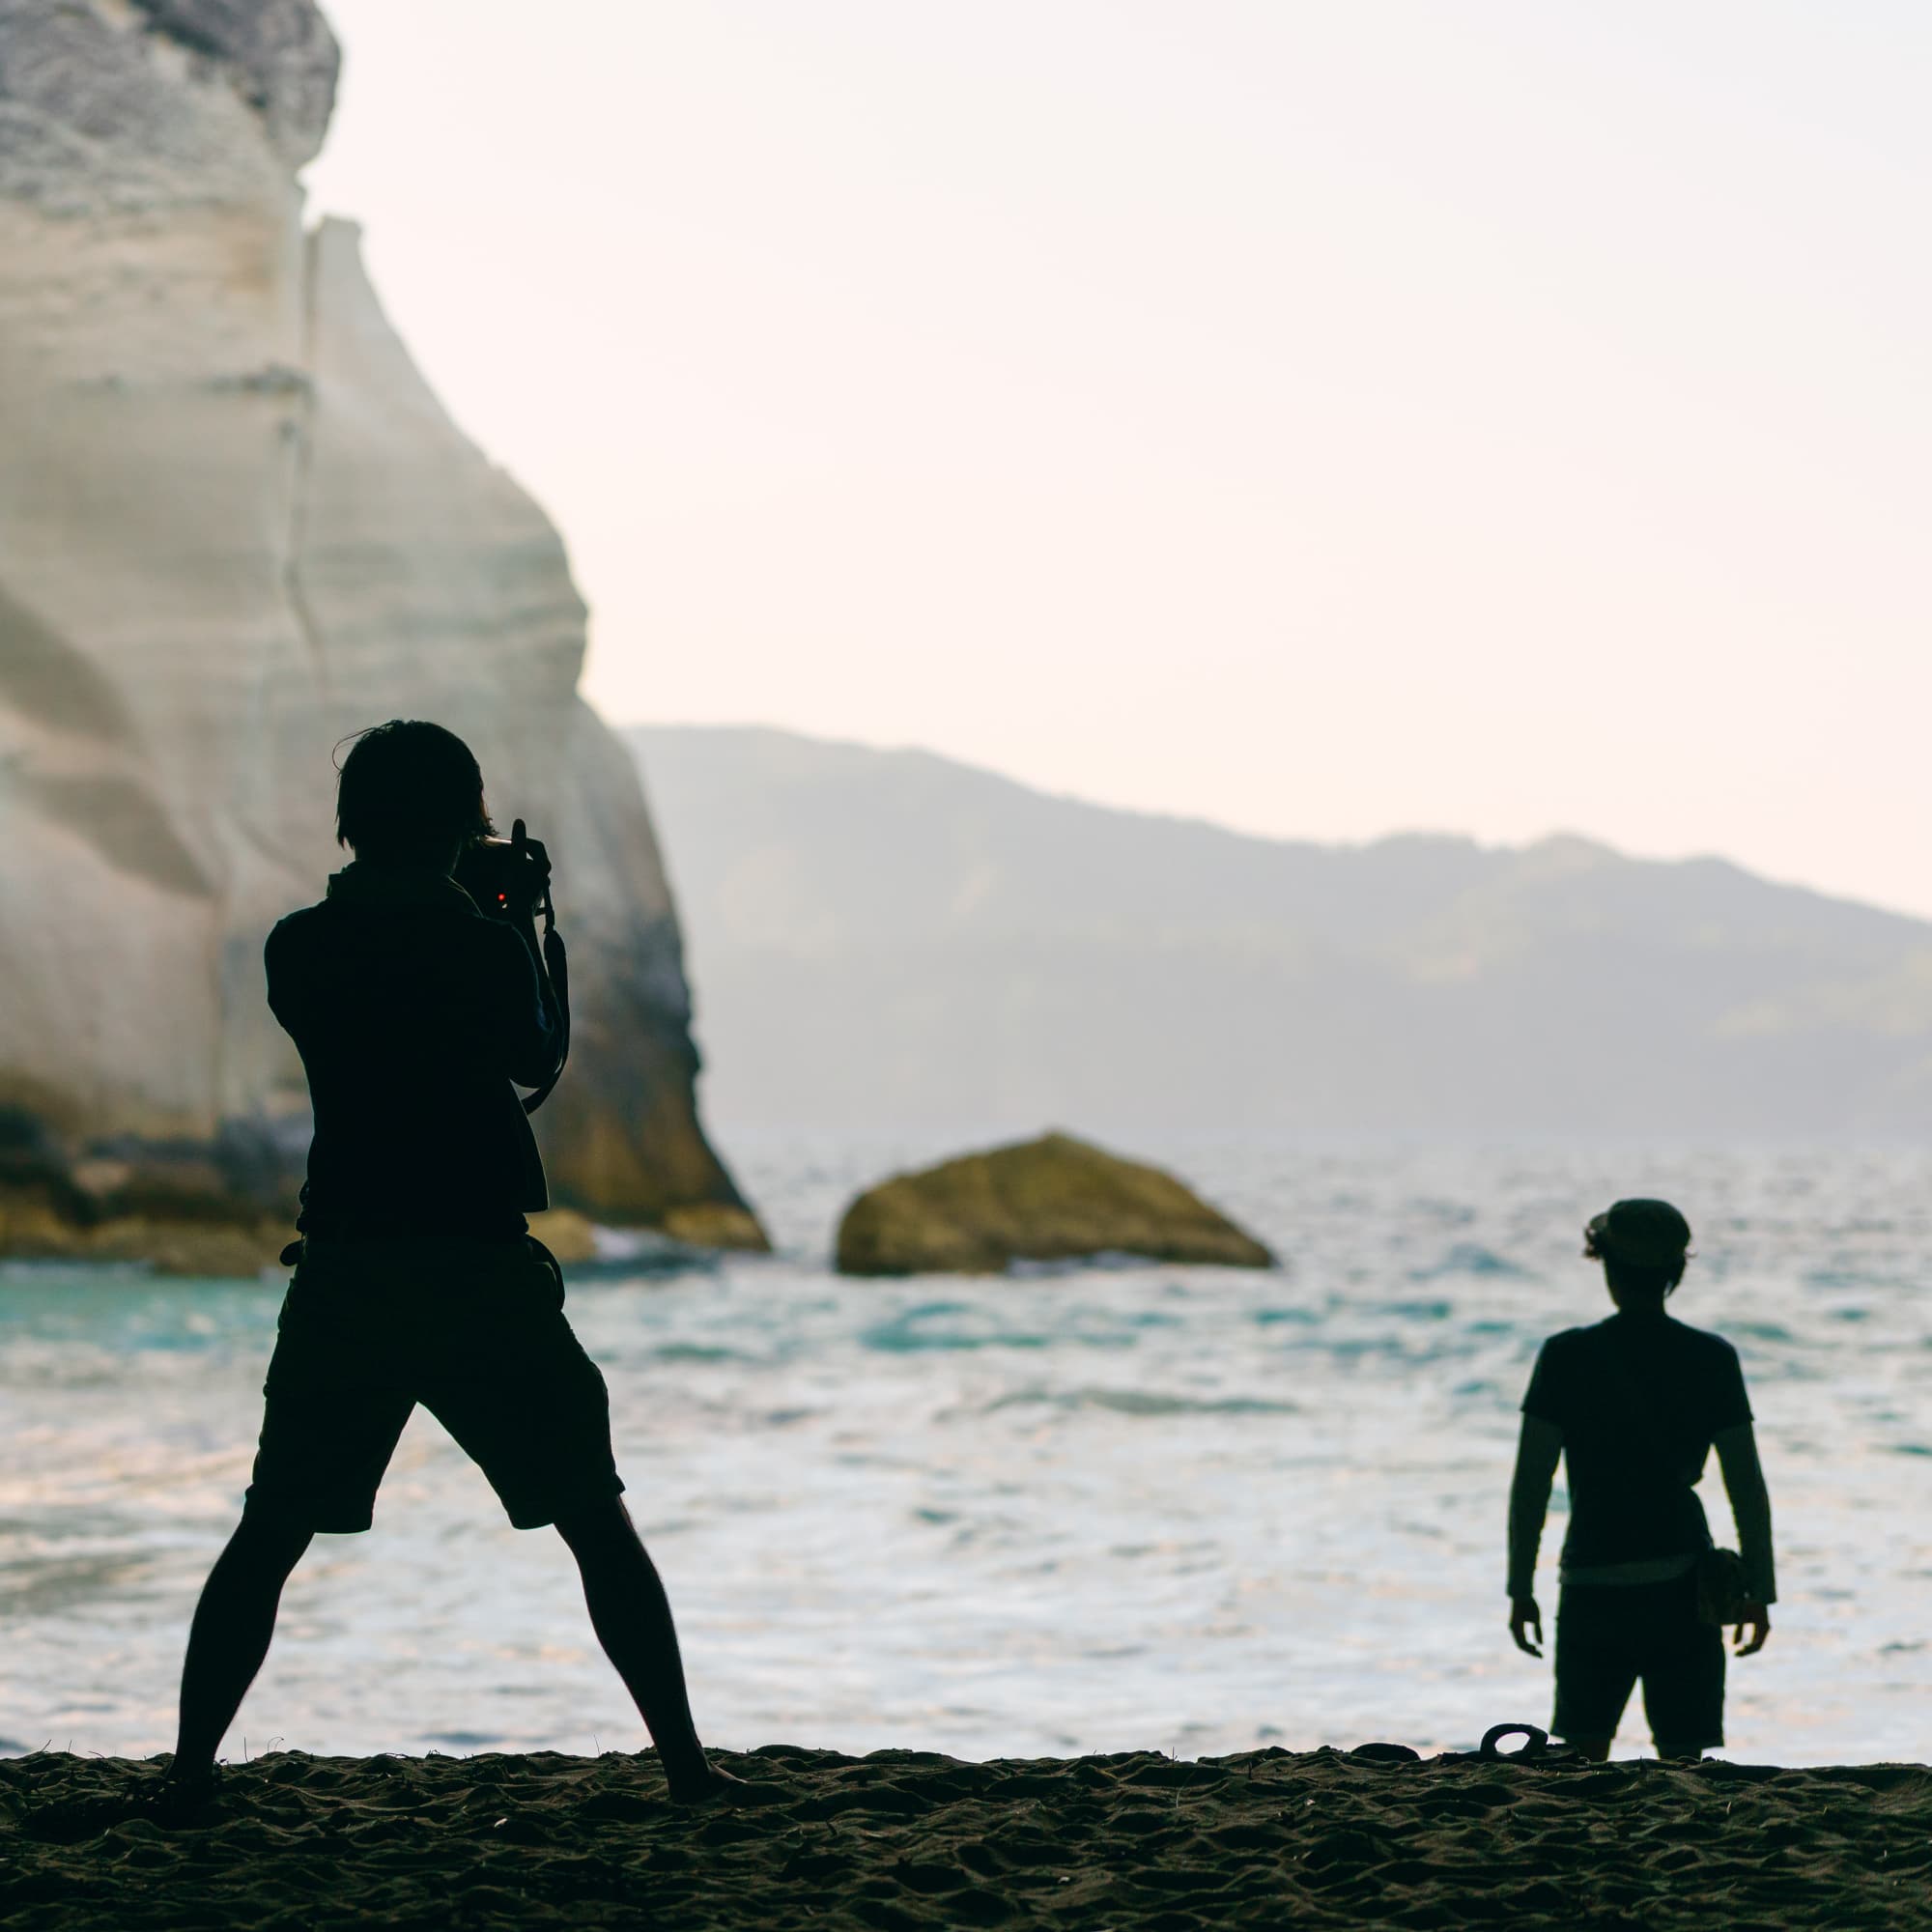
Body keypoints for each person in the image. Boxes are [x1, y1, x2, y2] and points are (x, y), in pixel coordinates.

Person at [160, 720, 731, 1807]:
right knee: (593, 1518)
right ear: (463, 822)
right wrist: (512, 919)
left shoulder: (299, 946)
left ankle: (188, 1778)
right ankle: (688, 1771)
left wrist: (476, 912)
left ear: (352, 823)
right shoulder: (480, 943)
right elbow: (532, 1051)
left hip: (347, 1269)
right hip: (476, 1269)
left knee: (269, 1531)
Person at [1506, 1198, 1775, 1761]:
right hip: (1683, 1585)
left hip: (1592, 1582)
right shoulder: (1712, 1358)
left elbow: (1531, 1484)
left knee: (1581, 1755)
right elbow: (1746, 1486)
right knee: (1684, 1760)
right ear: (1675, 1272)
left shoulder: (1565, 1356)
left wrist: (1520, 1589)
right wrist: (1760, 1591)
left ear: (1606, 1266)